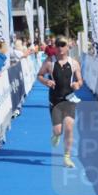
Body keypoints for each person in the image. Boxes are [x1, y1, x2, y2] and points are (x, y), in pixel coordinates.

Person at [39, 38, 83, 169]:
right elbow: (39, 75)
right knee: (58, 130)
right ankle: (56, 135)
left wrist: (77, 84)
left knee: (69, 127)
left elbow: (80, 80)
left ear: (68, 47)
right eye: (57, 45)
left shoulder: (74, 63)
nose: (60, 48)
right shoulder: (49, 62)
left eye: (63, 45)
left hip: (69, 99)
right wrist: (47, 82)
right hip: (55, 100)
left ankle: (67, 157)